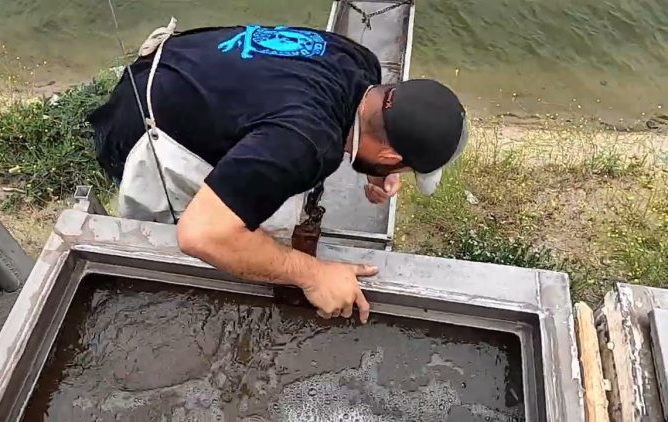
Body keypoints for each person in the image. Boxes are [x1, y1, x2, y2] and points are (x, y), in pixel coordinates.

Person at [87, 22, 468, 325]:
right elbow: (199, 235)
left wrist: (372, 168)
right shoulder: (305, 144)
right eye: (401, 165)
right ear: (388, 152)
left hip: (181, 65)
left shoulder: (359, 61)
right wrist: (313, 273)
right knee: (205, 238)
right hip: (141, 122)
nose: (395, 172)